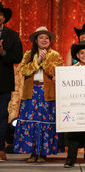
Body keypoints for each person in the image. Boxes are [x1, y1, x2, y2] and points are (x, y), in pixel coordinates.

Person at [13, 26, 63, 163]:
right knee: (31, 123)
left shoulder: (55, 55)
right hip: (31, 92)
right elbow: (23, 70)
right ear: (36, 40)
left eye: (46, 38)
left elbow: (57, 72)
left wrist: (44, 60)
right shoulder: (29, 54)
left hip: (47, 93)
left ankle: (43, 153)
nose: (44, 40)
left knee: (45, 123)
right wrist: (37, 61)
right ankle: (32, 153)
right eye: (41, 37)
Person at [64, 41, 85, 168]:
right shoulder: (71, 70)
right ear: (77, 55)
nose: (84, 55)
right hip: (75, 105)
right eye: (82, 53)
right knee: (73, 134)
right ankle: (70, 159)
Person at [0, 2, 23, 161]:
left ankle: (0, 148)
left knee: (2, 115)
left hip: (3, 82)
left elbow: (18, 57)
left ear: (3, 17)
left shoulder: (12, 35)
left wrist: (3, 52)